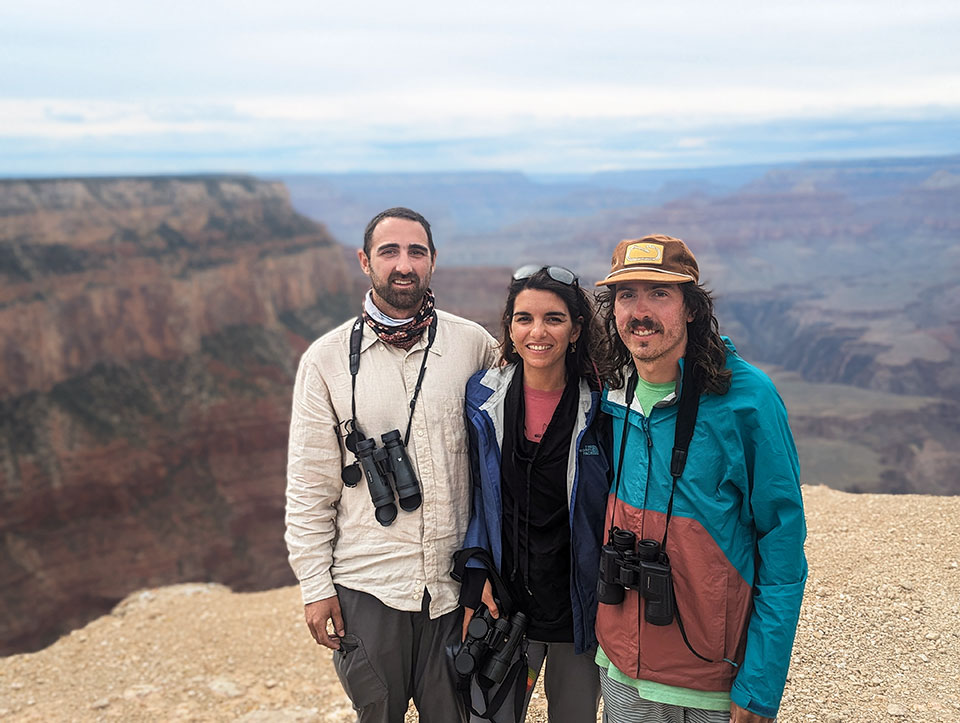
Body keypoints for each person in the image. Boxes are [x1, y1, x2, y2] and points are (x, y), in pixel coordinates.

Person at [285, 207, 498, 723]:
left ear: (433, 261)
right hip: (368, 585)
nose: (404, 265)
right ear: (365, 261)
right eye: (389, 252)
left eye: (416, 252)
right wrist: (316, 588)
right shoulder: (326, 359)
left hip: (453, 588)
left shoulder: (473, 345)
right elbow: (309, 488)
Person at [592, 235, 807, 723]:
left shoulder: (746, 399)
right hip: (622, 666)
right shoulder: (607, 386)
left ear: (691, 307)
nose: (640, 311)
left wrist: (759, 684)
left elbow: (783, 544)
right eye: (626, 295)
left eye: (659, 294)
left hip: (710, 681)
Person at [456, 265, 611, 722]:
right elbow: (475, 498)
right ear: (509, 328)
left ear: (577, 329)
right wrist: (475, 574)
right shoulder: (481, 400)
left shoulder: (604, 406)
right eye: (523, 318)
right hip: (503, 607)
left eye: (554, 319)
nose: (537, 332)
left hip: (577, 611)